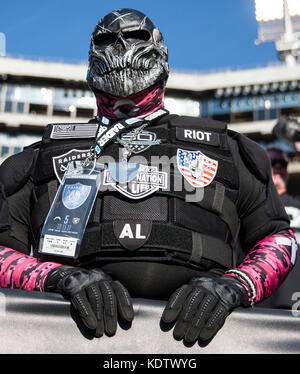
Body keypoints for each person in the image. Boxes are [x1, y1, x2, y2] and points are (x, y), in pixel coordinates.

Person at [0, 8, 297, 345]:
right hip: (65, 339)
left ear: (161, 53)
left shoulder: (231, 151)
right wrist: (56, 277)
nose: (122, 47)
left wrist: (234, 286)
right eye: (107, 40)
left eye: (135, 37)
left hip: (203, 340)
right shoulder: (37, 158)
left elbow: (279, 241)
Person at [257, 147, 300, 309]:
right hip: (260, 305)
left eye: (282, 163)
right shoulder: (248, 207)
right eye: (271, 162)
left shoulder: (298, 204)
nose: (278, 166)